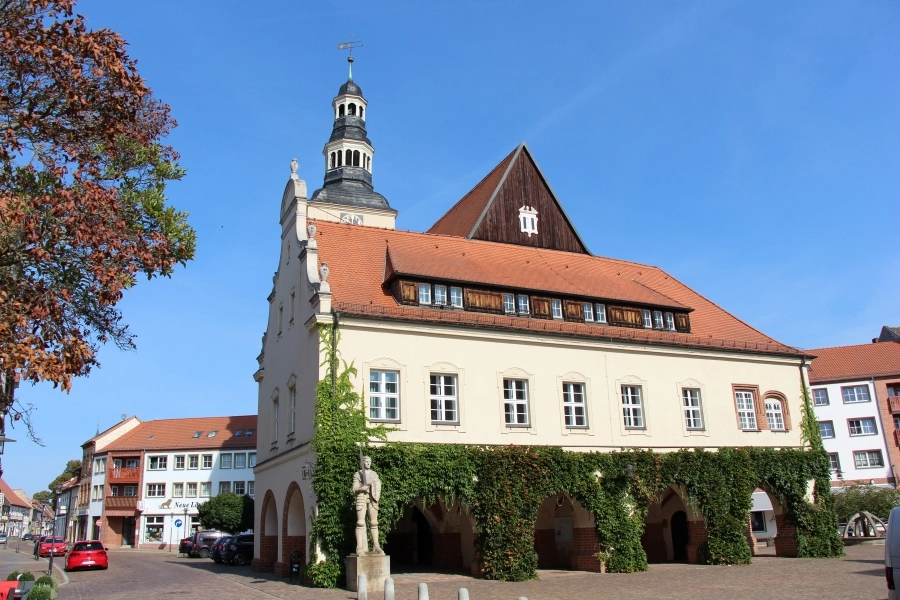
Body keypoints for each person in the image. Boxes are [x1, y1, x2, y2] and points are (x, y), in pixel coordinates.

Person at [351, 455, 383, 554]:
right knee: (360, 522)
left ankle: (376, 545)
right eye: (366, 461)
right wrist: (361, 488)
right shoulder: (358, 474)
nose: (368, 463)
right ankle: (359, 547)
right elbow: (354, 489)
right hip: (362, 497)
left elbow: (377, 486)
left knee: (374, 523)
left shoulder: (374, 474)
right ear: (363, 462)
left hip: (373, 498)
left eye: (369, 461)